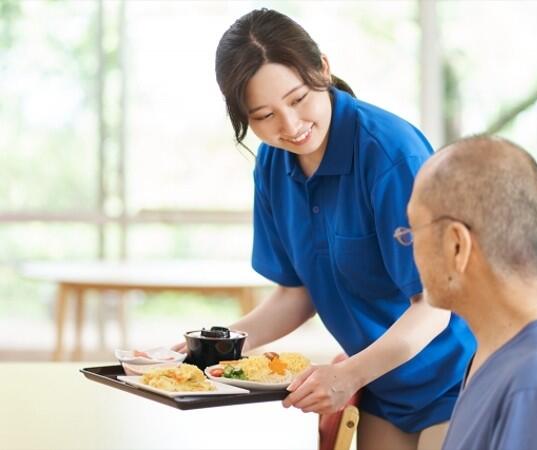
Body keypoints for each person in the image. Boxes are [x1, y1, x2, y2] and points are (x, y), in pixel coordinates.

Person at [176, 9, 475, 449]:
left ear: (323, 69)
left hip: (459, 381)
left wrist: (347, 375)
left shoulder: (390, 154)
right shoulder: (274, 166)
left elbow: (434, 306)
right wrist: (201, 353)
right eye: (264, 116)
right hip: (383, 387)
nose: (290, 127)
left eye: (298, 100)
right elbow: (297, 295)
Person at [405, 135, 537, 450]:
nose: (409, 249)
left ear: (457, 245)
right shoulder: (499, 352)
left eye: (412, 232)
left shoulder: (535, 386)